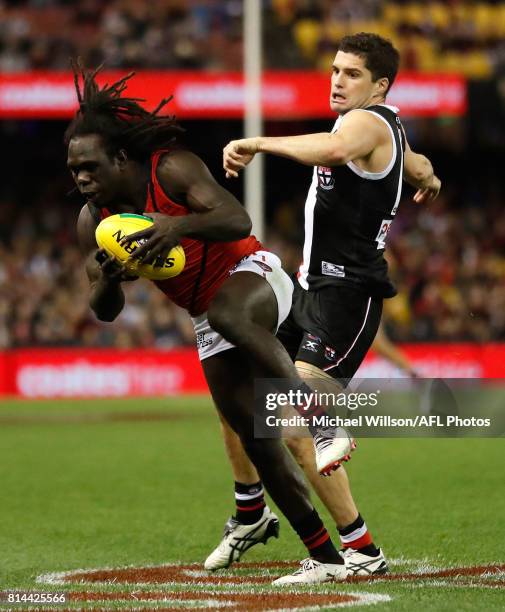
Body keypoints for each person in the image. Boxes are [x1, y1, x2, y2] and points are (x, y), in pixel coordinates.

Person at [66, 62, 354, 585]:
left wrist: (175, 224)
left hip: (252, 272)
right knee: (254, 436)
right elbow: (102, 308)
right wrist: (108, 279)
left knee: (227, 313)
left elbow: (237, 221)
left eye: (89, 166)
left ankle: (323, 421)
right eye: (73, 171)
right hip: (206, 314)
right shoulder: (94, 222)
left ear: (121, 157)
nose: (81, 178)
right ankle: (326, 558)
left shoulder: (170, 169)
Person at [207, 32, 441, 581]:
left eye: (352, 73)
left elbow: (336, 149)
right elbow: (412, 159)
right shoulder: (383, 130)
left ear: (380, 85)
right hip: (312, 292)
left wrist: (259, 143)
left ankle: (360, 550)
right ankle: (249, 510)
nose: (337, 80)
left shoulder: (366, 124)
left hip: (346, 298)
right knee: (234, 390)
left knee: (288, 420)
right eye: (335, 70)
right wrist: (426, 173)